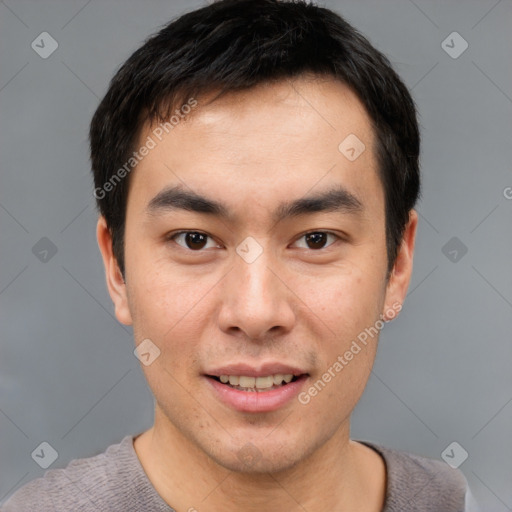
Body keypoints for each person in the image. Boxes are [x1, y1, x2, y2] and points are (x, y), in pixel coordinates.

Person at [4, 1, 479, 510]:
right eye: (194, 239)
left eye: (316, 239)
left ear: (398, 264)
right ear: (117, 269)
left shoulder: (454, 501)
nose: (255, 313)